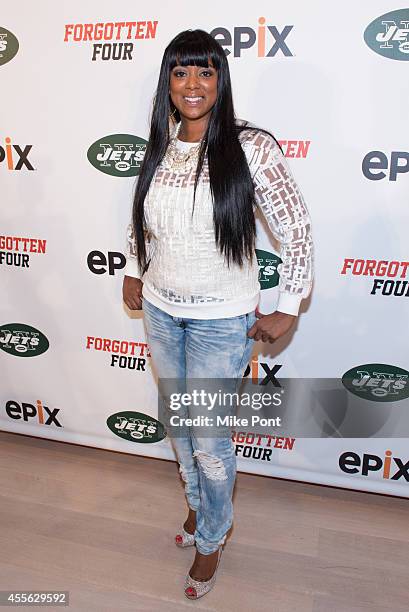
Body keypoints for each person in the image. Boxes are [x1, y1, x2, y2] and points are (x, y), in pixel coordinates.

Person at [122, 29, 314, 600]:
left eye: (204, 71)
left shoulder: (250, 145)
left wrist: (290, 306)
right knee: (181, 427)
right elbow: (144, 216)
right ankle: (198, 506)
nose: (192, 84)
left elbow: (296, 227)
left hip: (221, 322)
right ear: (168, 83)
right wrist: (134, 265)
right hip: (159, 311)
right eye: (181, 73)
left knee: (210, 440)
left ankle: (212, 536)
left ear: (220, 79)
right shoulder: (162, 140)